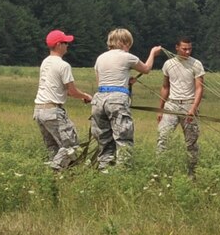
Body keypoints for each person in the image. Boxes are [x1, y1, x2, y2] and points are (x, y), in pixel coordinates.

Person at [90, 28, 165, 168]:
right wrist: (153, 53)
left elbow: (100, 80)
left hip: (99, 99)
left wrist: (125, 81)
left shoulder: (100, 58)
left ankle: (104, 168)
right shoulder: (127, 57)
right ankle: (123, 170)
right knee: (123, 137)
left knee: (104, 138)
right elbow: (146, 69)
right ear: (125, 42)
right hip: (117, 99)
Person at [34, 29, 92, 169]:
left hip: (39, 111)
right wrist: (86, 96)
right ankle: (53, 170)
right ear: (59, 44)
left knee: (53, 147)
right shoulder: (63, 65)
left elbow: (65, 91)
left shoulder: (45, 62)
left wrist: (79, 96)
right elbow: (71, 90)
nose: (68, 46)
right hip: (53, 111)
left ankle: (54, 178)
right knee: (71, 146)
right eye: (66, 43)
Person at [156, 36, 207, 171]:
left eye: (190, 49)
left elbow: (199, 88)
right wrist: (160, 109)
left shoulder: (196, 64)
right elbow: (165, 87)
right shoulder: (168, 64)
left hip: (189, 104)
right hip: (171, 105)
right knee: (163, 137)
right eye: (184, 49)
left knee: (191, 142)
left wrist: (193, 108)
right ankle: (160, 170)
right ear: (177, 48)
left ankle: (192, 171)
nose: (187, 52)